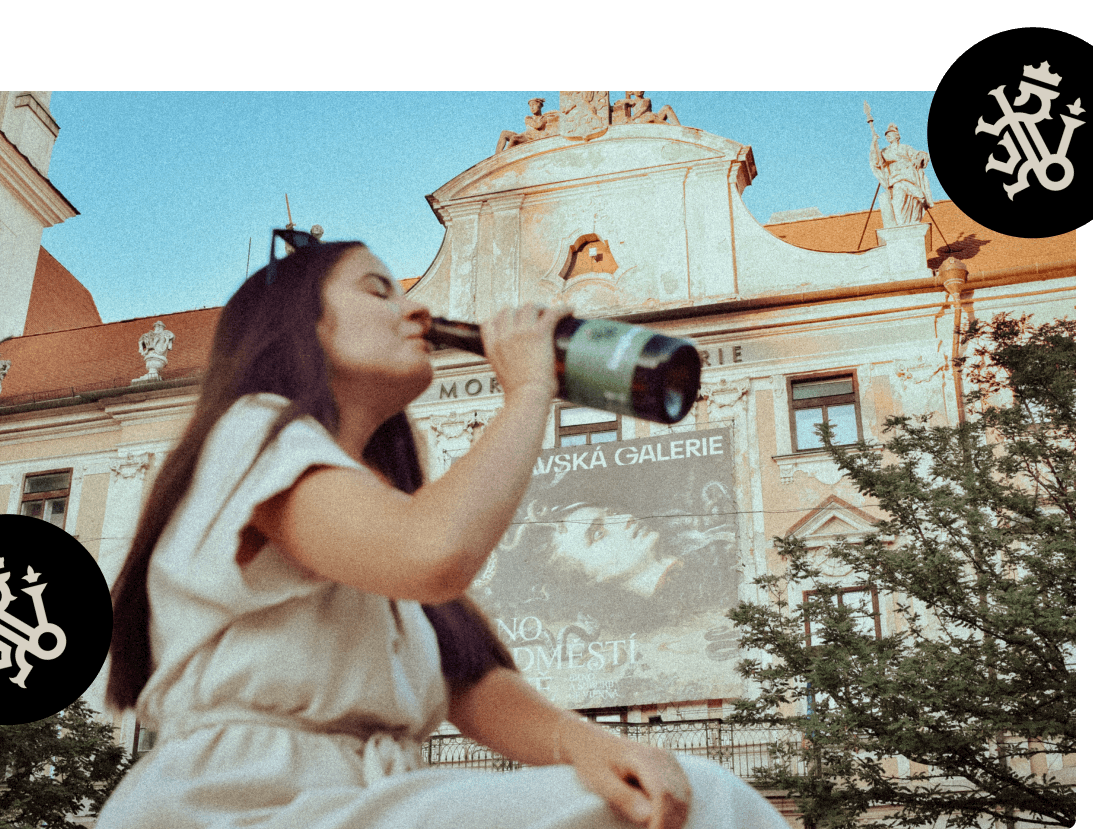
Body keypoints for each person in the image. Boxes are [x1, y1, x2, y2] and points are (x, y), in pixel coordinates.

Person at [95, 228, 790, 829]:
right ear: (298, 323)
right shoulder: (254, 433)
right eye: (380, 290)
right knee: (712, 808)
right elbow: (436, 553)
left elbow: (471, 679)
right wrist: (528, 390)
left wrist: (589, 745)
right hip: (241, 805)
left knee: (671, 798)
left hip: (359, 799)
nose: (417, 309)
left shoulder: (370, 511)